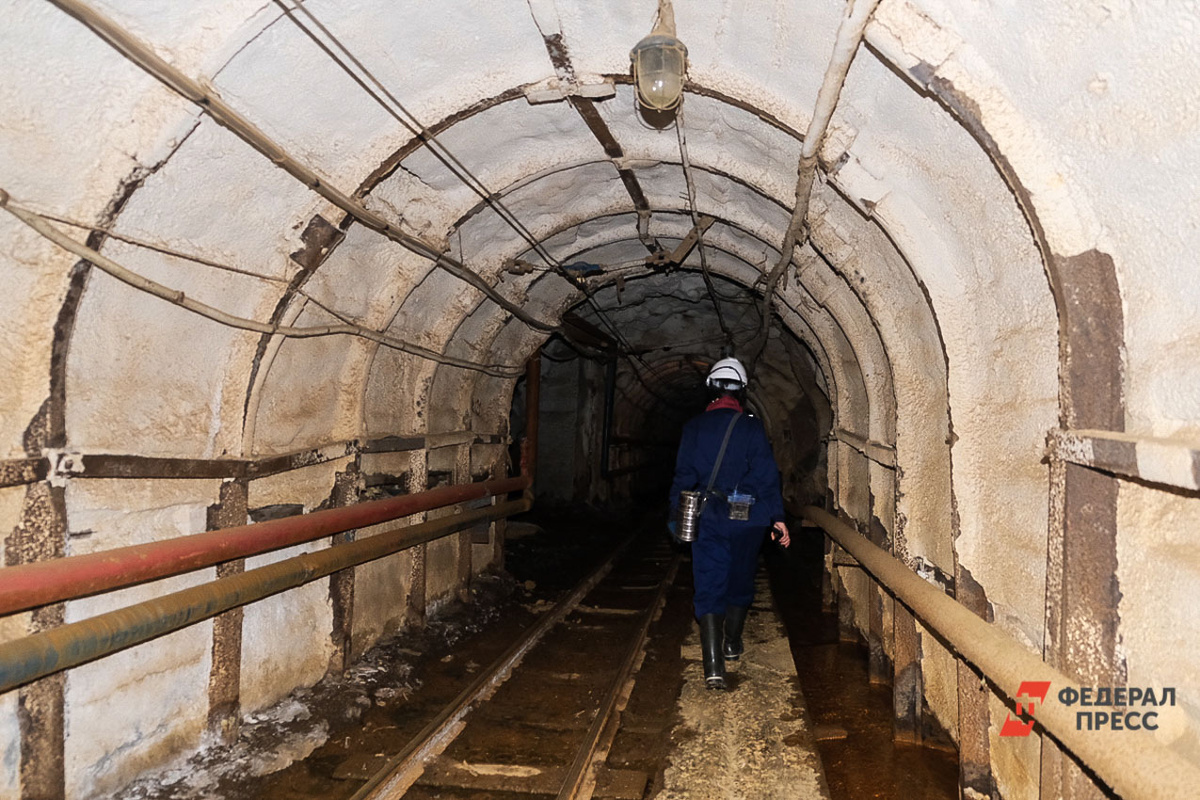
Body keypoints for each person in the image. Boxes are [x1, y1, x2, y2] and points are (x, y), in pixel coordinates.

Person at [668, 357, 790, 690]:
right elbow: (766, 476)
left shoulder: (694, 427)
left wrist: (676, 516)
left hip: (708, 517)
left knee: (709, 582)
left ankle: (713, 669)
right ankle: (732, 644)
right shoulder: (751, 427)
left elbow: (683, 477)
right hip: (747, 517)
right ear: (742, 391)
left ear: (711, 388)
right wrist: (778, 518)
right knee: (740, 578)